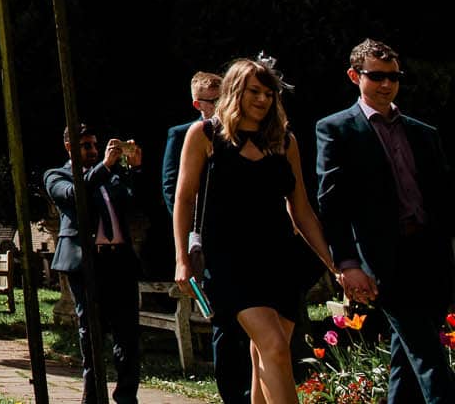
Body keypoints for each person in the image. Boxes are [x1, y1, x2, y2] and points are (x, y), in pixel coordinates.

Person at [175, 58, 342, 404]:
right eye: (255, 91)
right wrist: (181, 259)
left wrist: (333, 263)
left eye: (269, 93)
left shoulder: (285, 142)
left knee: (264, 354)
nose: (263, 99)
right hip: (230, 262)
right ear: (236, 89)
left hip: (281, 260)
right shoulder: (205, 135)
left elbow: (301, 209)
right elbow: (184, 198)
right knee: (276, 349)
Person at [314, 40, 454, 404]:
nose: (386, 84)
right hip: (386, 262)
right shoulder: (336, 129)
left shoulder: (424, 133)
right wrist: (346, 262)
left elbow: (442, 200)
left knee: (406, 361)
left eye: (393, 76)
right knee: (431, 360)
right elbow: (332, 202)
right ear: (354, 75)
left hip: (433, 257)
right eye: (376, 76)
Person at [163, 70, 251, 404]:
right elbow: (175, 192)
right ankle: (234, 393)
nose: (221, 103)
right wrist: (187, 239)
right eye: (213, 100)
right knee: (225, 320)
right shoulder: (185, 135)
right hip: (206, 236)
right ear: (198, 103)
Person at [48, 124, 146, 404]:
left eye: (94, 145)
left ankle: (127, 396)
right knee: (91, 332)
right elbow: (72, 196)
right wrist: (104, 165)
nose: (92, 151)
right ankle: (93, 397)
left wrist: (134, 169)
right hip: (87, 263)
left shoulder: (112, 176)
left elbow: (132, 202)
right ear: (69, 147)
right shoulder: (57, 175)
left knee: (127, 333)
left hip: (120, 261)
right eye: (85, 146)